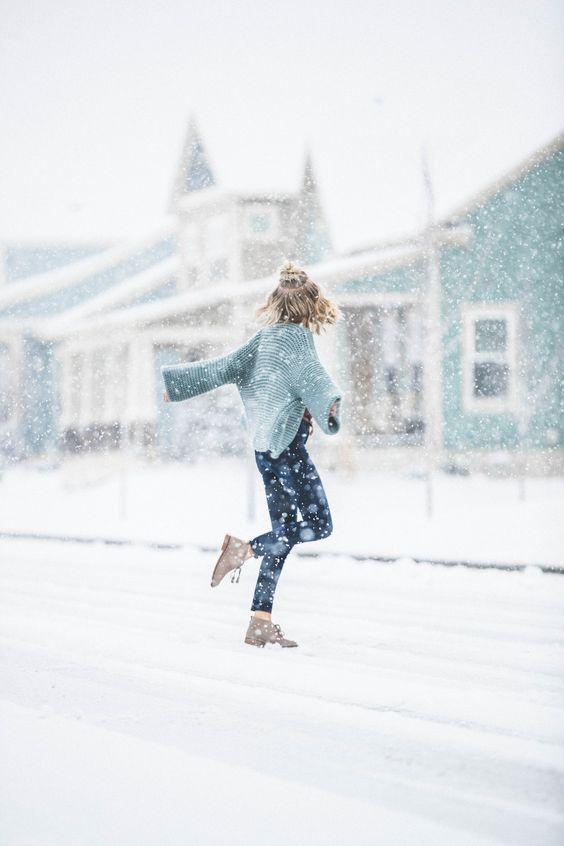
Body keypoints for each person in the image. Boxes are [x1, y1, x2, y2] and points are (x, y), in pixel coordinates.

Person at [161, 260, 342, 648]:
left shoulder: (262, 341)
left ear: (276, 302)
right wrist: (330, 408)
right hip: (289, 452)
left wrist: (176, 386)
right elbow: (317, 381)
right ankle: (244, 550)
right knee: (318, 524)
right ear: (312, 306)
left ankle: (260, 620)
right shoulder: (297, 343)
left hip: (266, 453)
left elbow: (221, 368)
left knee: (284, 533)